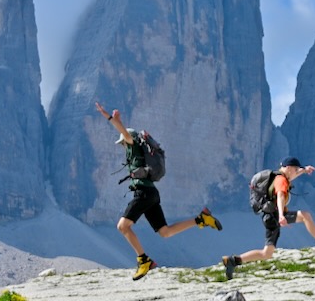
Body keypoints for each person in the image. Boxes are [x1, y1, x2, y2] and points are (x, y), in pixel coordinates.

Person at [95, 102, 223, 280]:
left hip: (145, 194)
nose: (122, 145)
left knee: (122, 226)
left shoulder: (133, 145)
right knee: (165, 232)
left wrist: (111, 118)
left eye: (122, 143)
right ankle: (201, 219)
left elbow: (125, 133)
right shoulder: (136, 151)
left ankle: (143, 260)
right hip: (151, 194)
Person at [222, 156, 315, 279]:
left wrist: (304, 170)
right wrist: (281, 215)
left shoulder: (279, 176)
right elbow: (280, 195)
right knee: (305, 216)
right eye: (296, 169)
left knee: (267, 253)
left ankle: (233, 261)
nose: (297, 172)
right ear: (289, 168)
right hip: (274, 216)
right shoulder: (281, 180)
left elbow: (291, 177)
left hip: (269, 216)